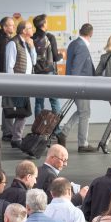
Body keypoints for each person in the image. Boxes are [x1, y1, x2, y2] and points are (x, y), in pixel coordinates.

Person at [30, 14, 65, 145]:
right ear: (44, 24)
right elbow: (55, 57)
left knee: (39, 102)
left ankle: (39, 130)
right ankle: (56, 130)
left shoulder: (32, 38)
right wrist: (61, 55)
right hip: (49, 72)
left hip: (37, 73)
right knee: (54, 101)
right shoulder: (50, 37)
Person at [65, 23, 97, 152]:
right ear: (91, 34)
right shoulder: (82, 47)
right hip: (81, 86)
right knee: (85, 113)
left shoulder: (73, 44)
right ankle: (82, 144)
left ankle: (64, 132)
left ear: (80, 31)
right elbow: (76, 69)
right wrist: (76, 87)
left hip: (76, 84)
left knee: (82, 111)